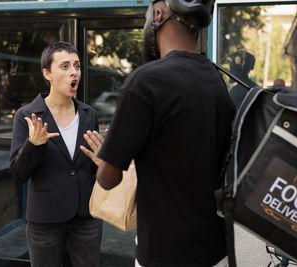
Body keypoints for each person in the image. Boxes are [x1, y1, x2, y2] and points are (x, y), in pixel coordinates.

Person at [81, 1, 235, 266]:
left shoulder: (146, 81)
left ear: (159, 15)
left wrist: (105, 159)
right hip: (215, 251)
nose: (145, 23)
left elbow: (107, 179)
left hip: (164, 254)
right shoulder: (216, 79)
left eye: (145, 16)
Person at [9, 41, 102, 267]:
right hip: (45, 221)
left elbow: (95, 171)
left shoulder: (89, 115)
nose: (74, 72)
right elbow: (18, 173)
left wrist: (102, 161)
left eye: (77, 66)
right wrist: (33, 144)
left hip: (86, 219)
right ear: (47, 73)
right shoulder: (27, 115)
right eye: (65, 66)